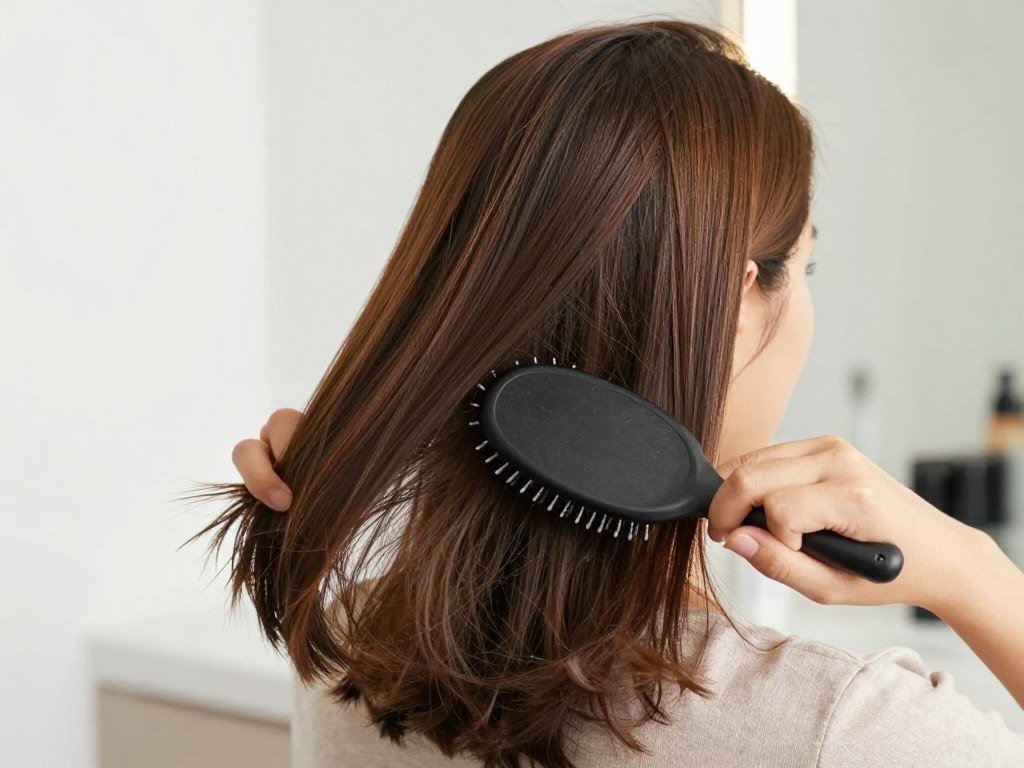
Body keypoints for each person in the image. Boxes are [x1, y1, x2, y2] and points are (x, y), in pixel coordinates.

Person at [198, 18, 1024, 767]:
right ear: (734, 305)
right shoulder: (850, 730)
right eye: (804, 268)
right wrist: (973, 572)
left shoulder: (348, 644)